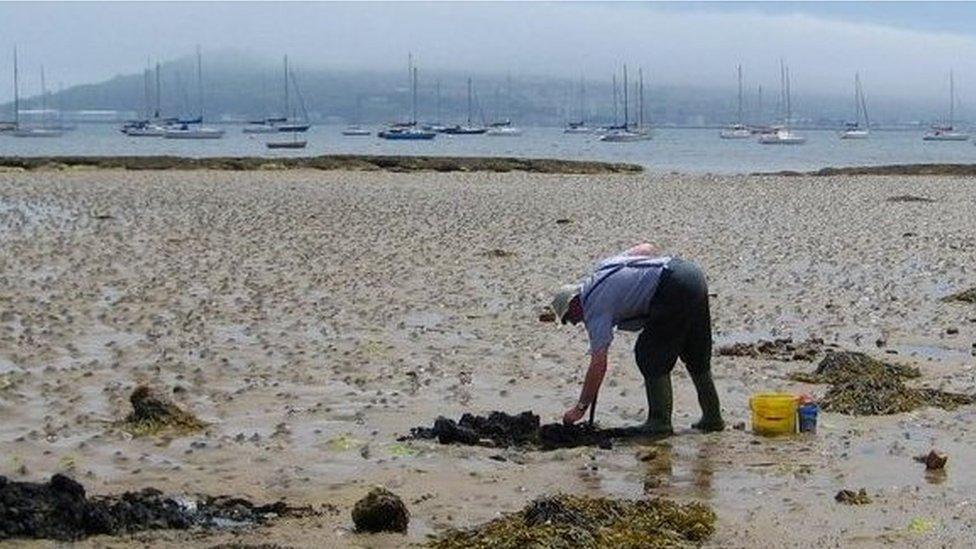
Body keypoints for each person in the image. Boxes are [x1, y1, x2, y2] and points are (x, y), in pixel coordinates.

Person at [550, 243, 724, 434]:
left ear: (574, 303)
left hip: (672, 286)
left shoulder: (593, 307)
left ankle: (659, 422)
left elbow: (598, 364)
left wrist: (580, 409)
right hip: (691, 274)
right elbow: (646, 248)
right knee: (695, 354)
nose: (574, 323)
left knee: (648, 354)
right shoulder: (603, 267)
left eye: (569, 318)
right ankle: (712, 418)